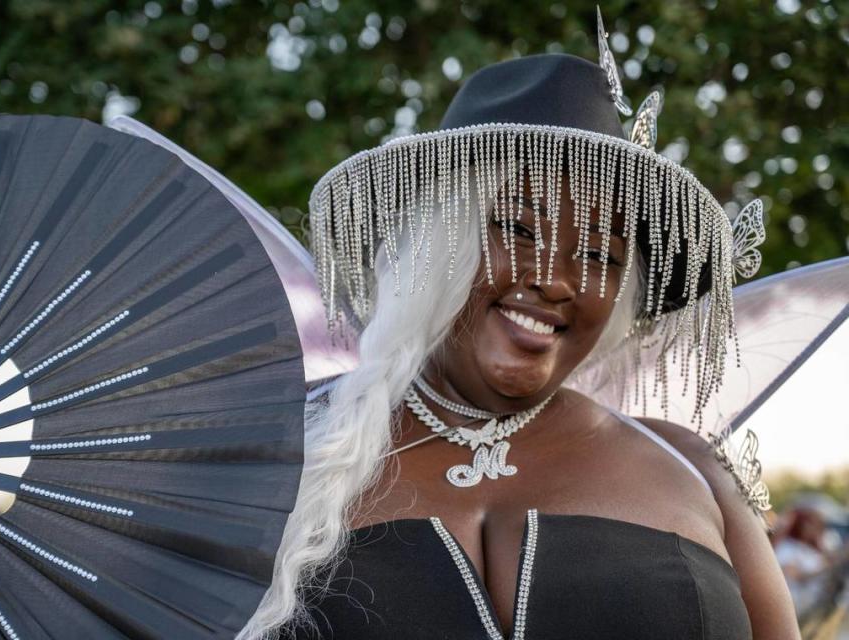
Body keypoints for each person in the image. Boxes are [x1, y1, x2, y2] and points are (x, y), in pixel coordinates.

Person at [234, 10, 798, 640]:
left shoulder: (691, 468)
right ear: (433, 242)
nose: (556, 283)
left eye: (598, 257)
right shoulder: (288, 454)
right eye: (519, 229)